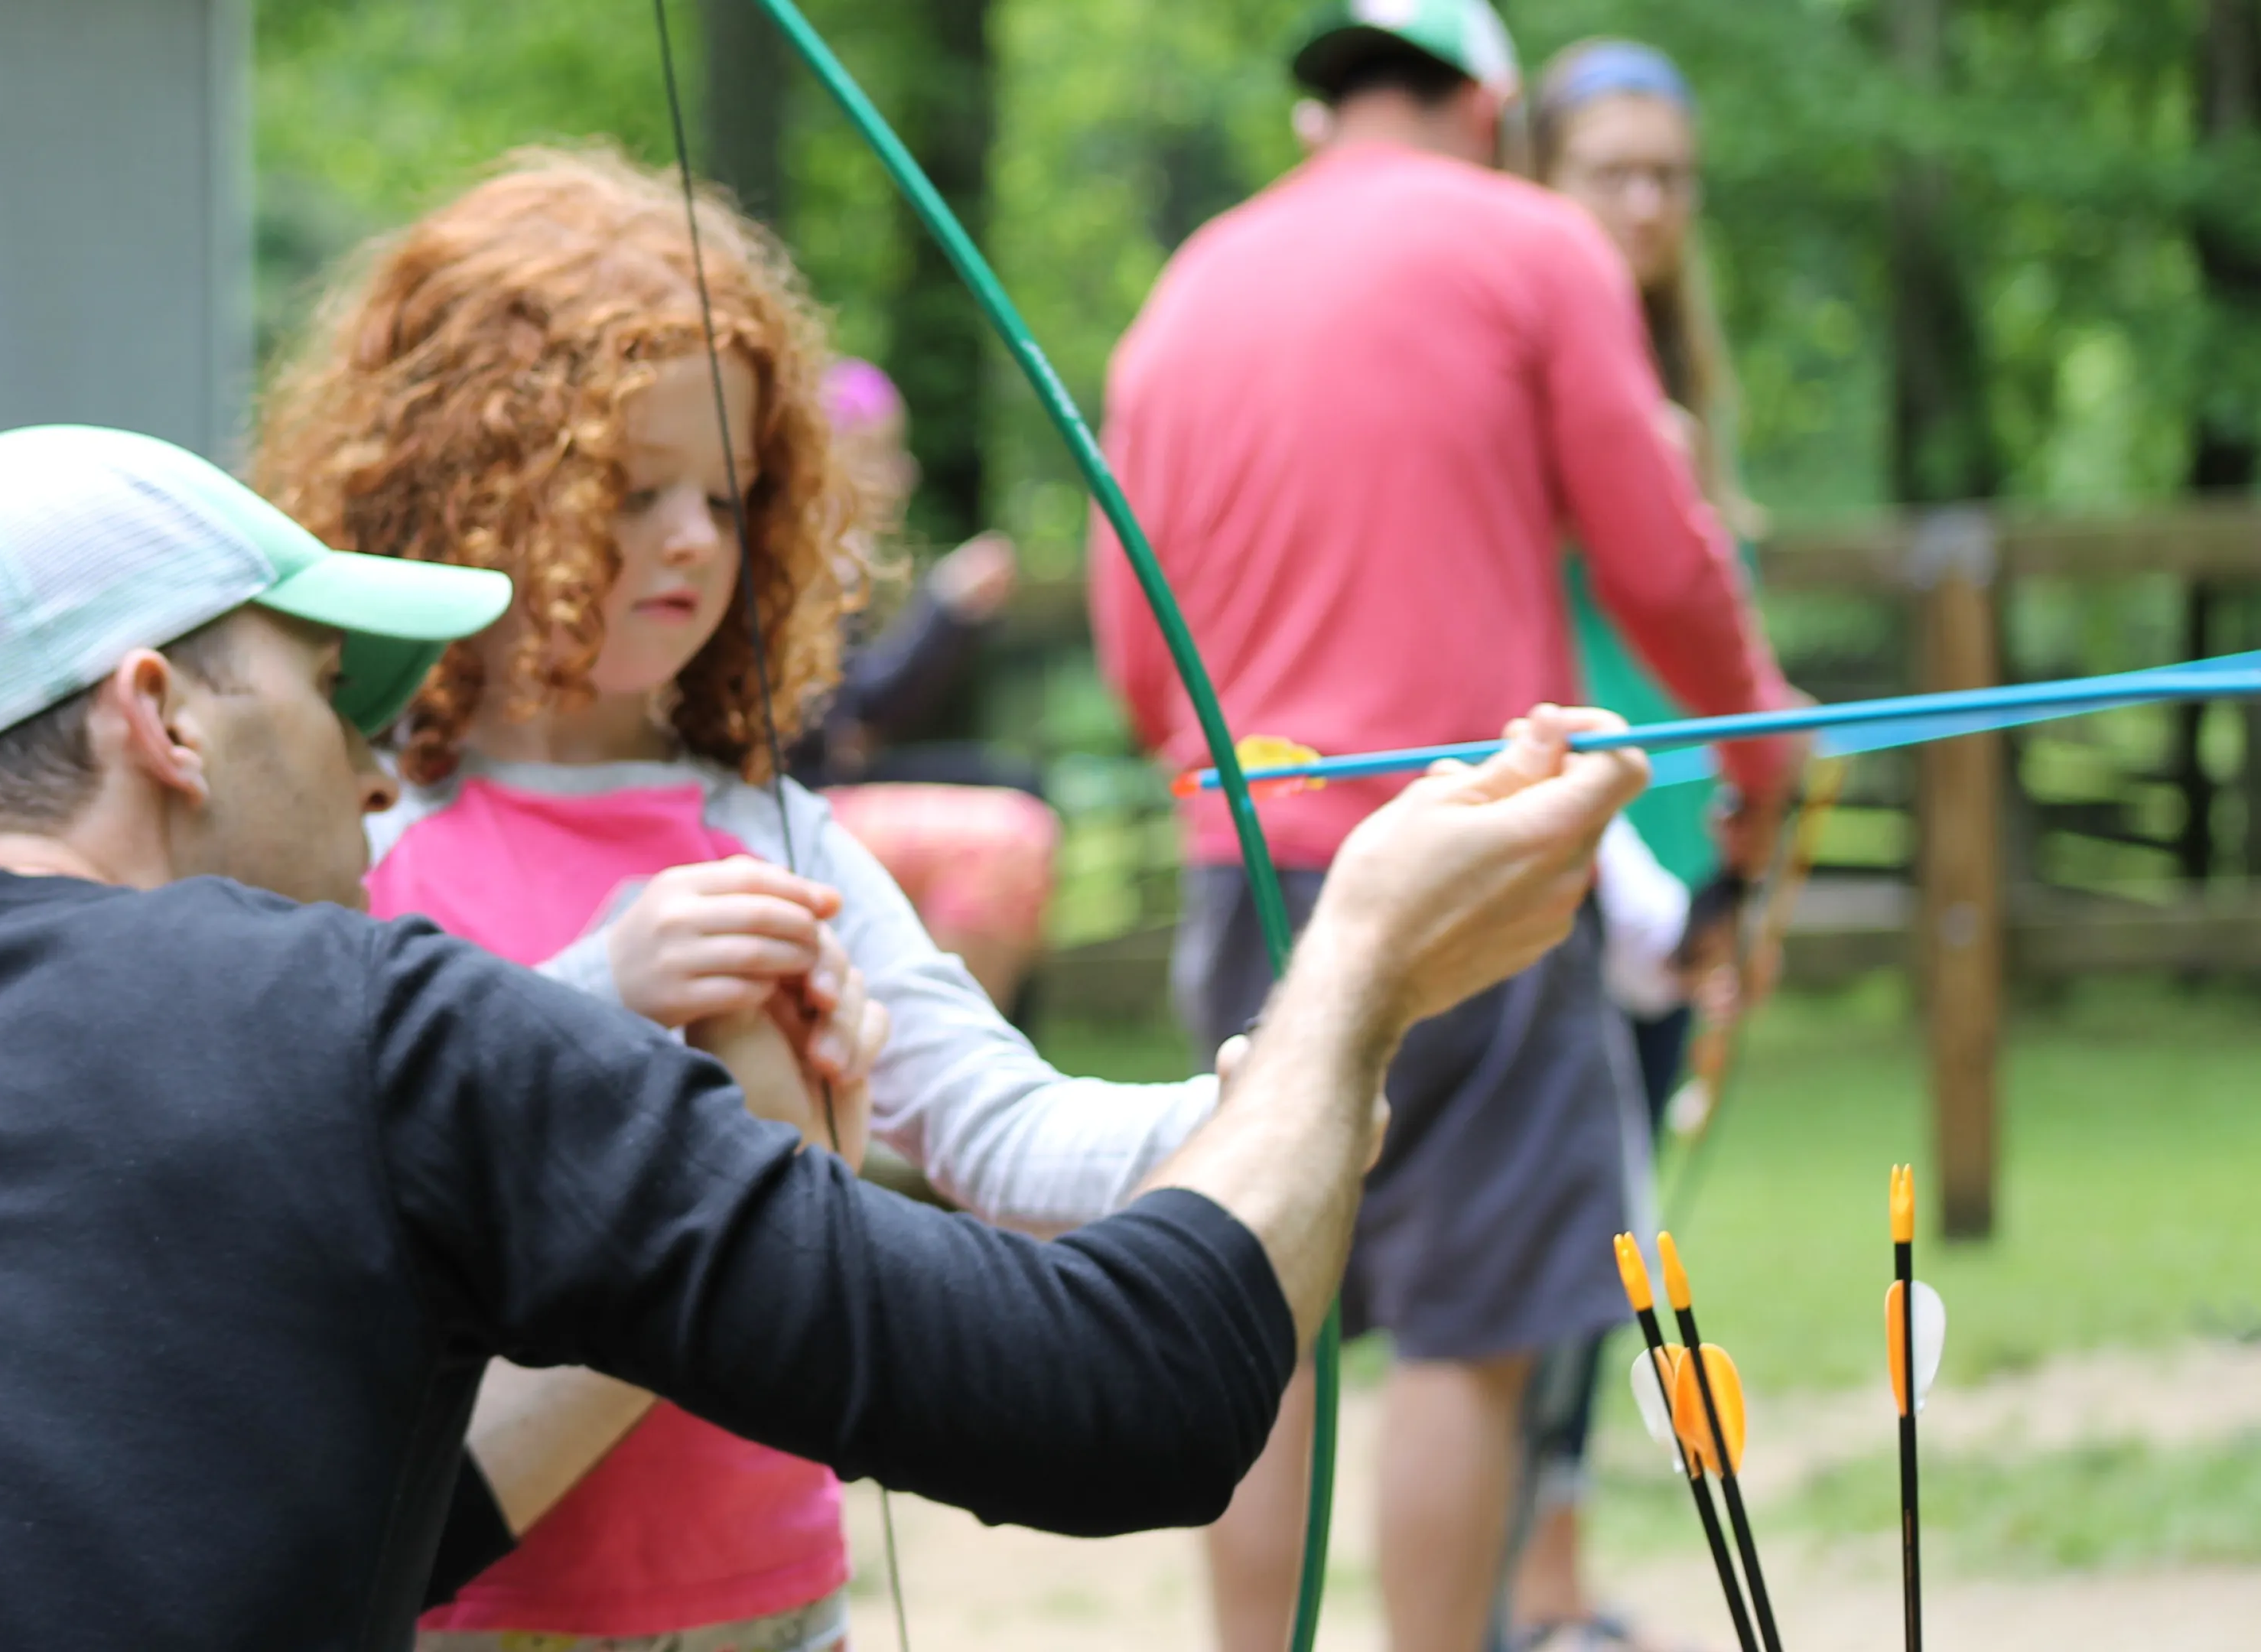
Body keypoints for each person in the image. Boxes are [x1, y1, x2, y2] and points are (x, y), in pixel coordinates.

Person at [0, 420, 1647, 1651]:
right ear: (158, 719)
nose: (373, 776)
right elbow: (1137, 1396)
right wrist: (1362, 968)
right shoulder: (359, 1026)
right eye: (325, 695)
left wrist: (711, 1239)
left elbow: (321, 1531)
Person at [243, 148, 1597, 1652]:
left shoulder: (776, 835)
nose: (695, 537)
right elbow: (335, 1183)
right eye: (632, 490)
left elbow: (1003, 1132)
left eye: (731, 490)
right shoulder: (362, 830)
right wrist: (592, 995)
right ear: (472, 490)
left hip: (775, 1606)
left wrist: (1258, 1102)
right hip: (484, 1613)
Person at [1084, 5, 1801, 1651]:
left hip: (1248, 865)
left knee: (1264, 1298)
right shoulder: (1534, 243)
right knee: (1469, 1334)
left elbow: (1136, 645)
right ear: (1487, 101)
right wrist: (1763, 750)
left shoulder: (1185, 290)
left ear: (1317, 105)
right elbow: (1663, 554)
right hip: (1476, 858)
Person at [1512, 38, 1763, 1648]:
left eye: (1669, 173)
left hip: (1681, 846)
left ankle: (1550, 1576)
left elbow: (1719, 628)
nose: (1648, 203)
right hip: (1573, 846)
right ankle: (1521, 1590)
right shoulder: (1525, 366)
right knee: (1557, 1224)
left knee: (1622, 1225)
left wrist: (1744, 843)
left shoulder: (1679, 380)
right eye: (1611, 169)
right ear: (1541, 177)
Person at [795, 356, 1057, 1011]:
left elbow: (863, 716)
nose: (903, 473)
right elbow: (861, 712)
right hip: (801, 793)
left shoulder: (839, 565)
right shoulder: (803, 567)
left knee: (1021, 781)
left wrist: (953, 617)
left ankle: (1002, 1043)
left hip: (830, 777)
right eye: (881, 454)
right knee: (1014, 814)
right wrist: (942, 609)